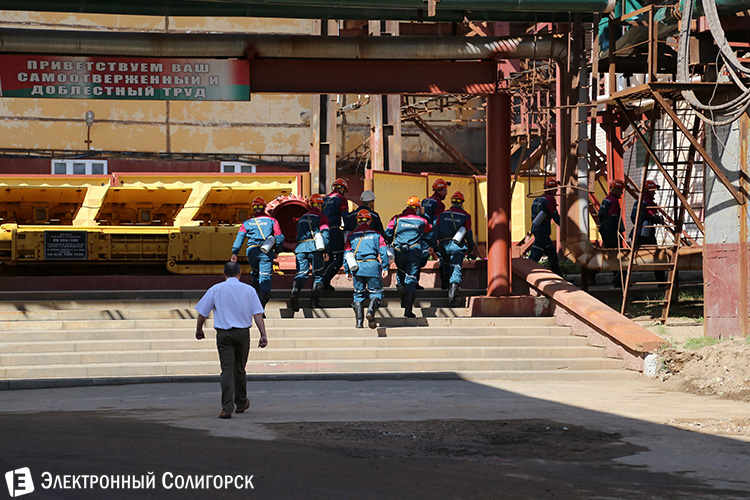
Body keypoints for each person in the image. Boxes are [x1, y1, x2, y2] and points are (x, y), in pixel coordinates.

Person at [195, 261, 268, 419]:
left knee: (227, 370)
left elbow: (202, 313)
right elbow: (257, 314)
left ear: (224, 274)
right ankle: (241, 402)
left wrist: (199, 329)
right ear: (240, 274)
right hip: (242, 334)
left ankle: (227, 408)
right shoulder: (249, 290)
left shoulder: (216, 289)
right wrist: (263, 334)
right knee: (240, 369)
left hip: (224, 335)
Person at [231, 196, 284, 308]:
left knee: (255, 273)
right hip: (266, 251)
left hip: (252, 251)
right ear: (264, 207)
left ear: (253, 208)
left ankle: (255, 296)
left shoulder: (246, 222)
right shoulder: (272, 220)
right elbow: (279, 237)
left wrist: (235, 252)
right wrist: (277, 251)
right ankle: (261, 304)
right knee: (265, 277)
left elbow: (240, 237)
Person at [385, 195, 433, 318]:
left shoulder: (396, 218)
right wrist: (424, 214)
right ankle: (408, 309)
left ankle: (403, 296)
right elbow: (429, 228)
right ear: (417, 208)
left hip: (399, 251)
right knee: (411, 279)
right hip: (413, 252)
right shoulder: (421, 220)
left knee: (401, 274)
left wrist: (389, 244)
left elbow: (388, 232)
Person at [344, 209, 389, 329]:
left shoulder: (351, 236)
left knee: (358, 294)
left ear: (358, 221)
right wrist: (385, 266)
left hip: (357, 267)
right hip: (372, 266)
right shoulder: (377, 235)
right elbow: (384, 252)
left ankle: (359, 322)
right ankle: (370, 311)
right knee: (376, 292)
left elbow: (347, 253)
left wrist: (347, 270)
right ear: (369, 221)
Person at [433, 191, 476, 306]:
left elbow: (436, 230)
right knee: (456, 267)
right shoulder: (466, 216)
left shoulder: (442, 215)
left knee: (445, 263)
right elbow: (468, 233)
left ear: (452, 202)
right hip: (457, 246)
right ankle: (452, 293)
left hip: (444, 245)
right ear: (462, 203)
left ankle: (445, 284)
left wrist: (433, 245)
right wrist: (471, 246)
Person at [290, 193, 329, 312]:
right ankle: (314, 302)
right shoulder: (322, 217)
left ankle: (295, 292)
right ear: (320, 205)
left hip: (301, 248)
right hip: (315, 248)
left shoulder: (302, 218)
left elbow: (297, 234)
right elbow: (325, 235)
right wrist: (325, 250)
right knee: (318, 275)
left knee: (301, 273)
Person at [631, 179, 667, 284]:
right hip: (646, 233)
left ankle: (619, 279)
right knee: (656, 255)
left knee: (630, 257)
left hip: (637, 232)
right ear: (648, 190)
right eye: (653, 190)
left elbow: (634, 217)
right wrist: (659, 220)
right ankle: (661, 281)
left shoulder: (640, 201)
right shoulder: (647, 202)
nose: (655, 192)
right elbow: (651, 215)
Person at [417, 178, 450, 289]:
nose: (446, 193)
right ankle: (445, 285)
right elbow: (437, 222)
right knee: (441, 257)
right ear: (439, 190)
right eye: (445, 190)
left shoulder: (424, 201)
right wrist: (437, 237)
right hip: (431, 235)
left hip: (421, 234)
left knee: (418, 259)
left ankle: (413, 282)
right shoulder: (439, 204)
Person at [528, 178, 563, 277]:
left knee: (552, 255)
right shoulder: (549, 200)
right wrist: (564, 226)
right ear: (552, 188)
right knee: (535, 256)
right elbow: (555, 215)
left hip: (538, 229)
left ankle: (559, 276)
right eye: (555, 188)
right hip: (542, 232)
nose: (556, 191)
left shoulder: (537, 199)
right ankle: (527, 273)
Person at [320, 178, 350, 291]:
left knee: (328, 257)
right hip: (334, 232)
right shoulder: (341, 199)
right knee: (339, 258)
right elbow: (345, 217)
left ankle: (322, 282)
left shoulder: (324, 199)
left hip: (323, 232)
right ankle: (324, 280)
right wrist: (348, 229)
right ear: (342, 189)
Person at [598, 179, 626, 286]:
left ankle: (617, 279)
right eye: (621, 189)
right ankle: (618, 279)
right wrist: (618, 231)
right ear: (616, 189)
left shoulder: (607, 199)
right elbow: (614, 218)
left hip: (605, 228)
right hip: (611, 230)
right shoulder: (613, 201)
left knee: (611, 254)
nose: (622, 192)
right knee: (615, 254)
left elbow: (601, 216)